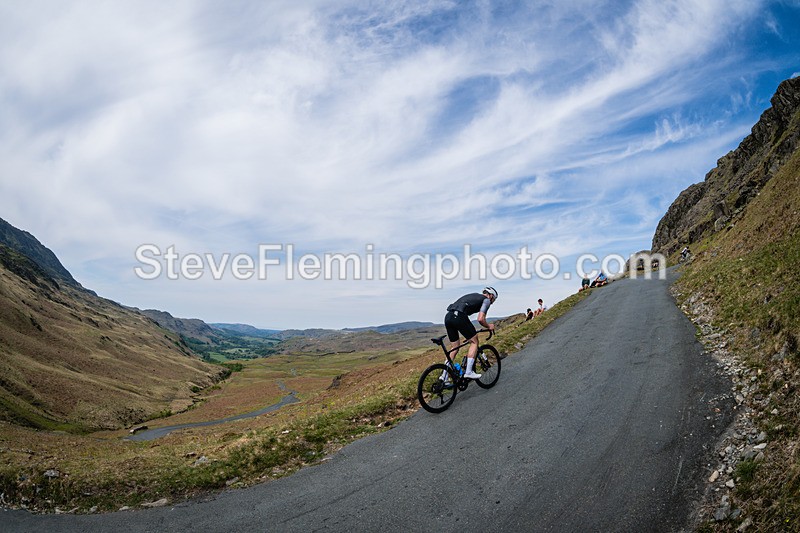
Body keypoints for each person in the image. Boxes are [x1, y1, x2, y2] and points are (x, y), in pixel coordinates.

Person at [444, 287, 497, 379]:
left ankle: (443, 377)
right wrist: (489, 326)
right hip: (459, 316)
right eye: (494, 300)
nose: (492, 302)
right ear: (491, 296)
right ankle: (469, 372)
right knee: (474, 342)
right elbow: (480, 319)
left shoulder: (475, 296)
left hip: (448, 316)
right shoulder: (486, 300)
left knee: (455, 347)